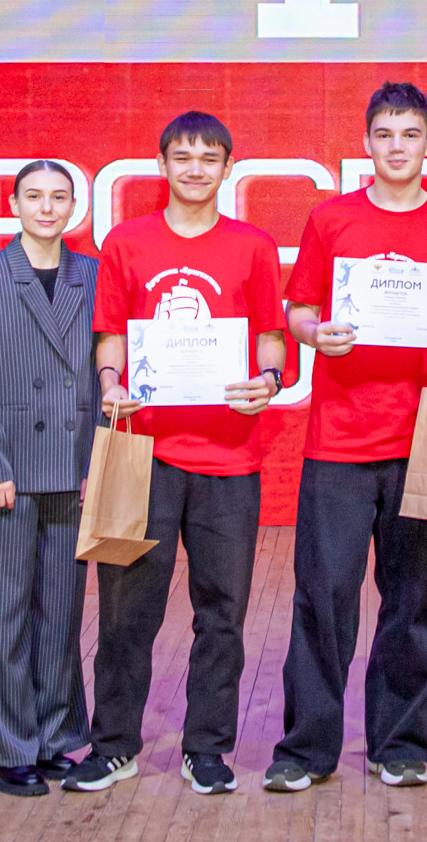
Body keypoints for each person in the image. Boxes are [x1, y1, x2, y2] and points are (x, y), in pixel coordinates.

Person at [263, 81, 427, 793]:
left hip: (425, 435)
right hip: (339, 437)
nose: (397, 147)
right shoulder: (331, 219)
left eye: (410, 134)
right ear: (366, 142)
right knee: (323, 594)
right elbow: (299, 310)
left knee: (416, 598)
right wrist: (314, 334)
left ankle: (401, 744)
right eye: (384, 134)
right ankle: (306, 748)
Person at [63, 111, 287, 796]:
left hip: (230, 457)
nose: (195, 168)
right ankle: (114, 746)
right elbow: (110, 335)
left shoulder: (253, 246)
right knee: (126, 610)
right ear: (162, 165)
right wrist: (110, 383)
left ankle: (207, 749)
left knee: (223, 612)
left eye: (208, 157)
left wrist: (270, 378)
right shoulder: (126, 242)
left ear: (227, 168)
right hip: (143, 453)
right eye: (182, 156)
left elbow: (273, 336)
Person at [0, 160, 99, 796]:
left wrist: (97, 465)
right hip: (8, 469)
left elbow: (104, 369)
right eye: (34, 196)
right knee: (2, 612)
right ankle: (3, 748)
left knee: (60, 613)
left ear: (73, 206)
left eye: (58, 197)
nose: (46, 207)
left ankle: (52, 738)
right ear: (13, 204)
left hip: (71, 466)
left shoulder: (91, 274)